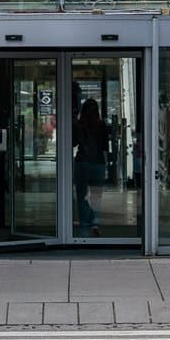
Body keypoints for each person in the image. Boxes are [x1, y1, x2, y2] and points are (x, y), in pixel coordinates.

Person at [73, 96, 106, 236]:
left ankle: (85, 223)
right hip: (98, 163)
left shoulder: (79, 125)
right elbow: (105, 146)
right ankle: (95, 222)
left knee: (82, 196)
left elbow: (73, 142)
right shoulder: (102, 125)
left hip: (82, 163)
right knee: (96, 196)